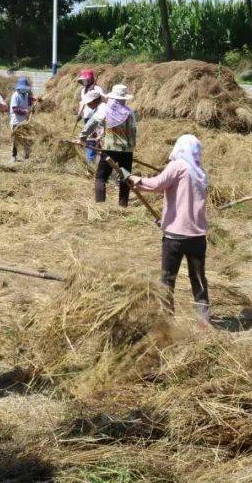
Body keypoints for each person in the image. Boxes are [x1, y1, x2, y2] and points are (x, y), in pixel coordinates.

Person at [130, 134, 211, 326]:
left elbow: (157, 184)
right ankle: (203, 319)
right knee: (198, 279)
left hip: (175, 237)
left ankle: (166, 320)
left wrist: (134, 179)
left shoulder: (179, 166)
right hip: (197, 236)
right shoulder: (200, 172)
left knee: (167, 280)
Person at [80, 84, 137, 207]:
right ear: (124, 99)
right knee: (125, 178)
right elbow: (133, 132)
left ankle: (100, 206)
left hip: (109, 149)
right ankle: (123, 205)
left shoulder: (106, 111)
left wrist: (83, 136)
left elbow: (92, 123)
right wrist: (131, 147)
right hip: (126, 151)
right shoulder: (129, 113)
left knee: (101, 177)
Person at [76, 70, 106, 164]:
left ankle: (96, 159)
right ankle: (91, 160)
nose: (85, 82)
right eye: (83, 80)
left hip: (97, 116)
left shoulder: (97, 89)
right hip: (87, 116)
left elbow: (102, 100)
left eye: (86, 80)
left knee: (97, 138)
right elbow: (82, 103)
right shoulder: (83, 90)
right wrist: (79, 114)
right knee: (90, 138)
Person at [9, 76, 34, 162]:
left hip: (24, 121)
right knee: (15, 140)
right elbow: (15, 109)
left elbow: (29, 100)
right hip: (16, 121)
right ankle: (13, 156)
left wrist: (36, 100)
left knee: (26, 139)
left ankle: (27, 157)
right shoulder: (15, 96)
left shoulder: (26, 95)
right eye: (22, 88)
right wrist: (25, 111)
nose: (24, 89)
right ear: (19, 88)